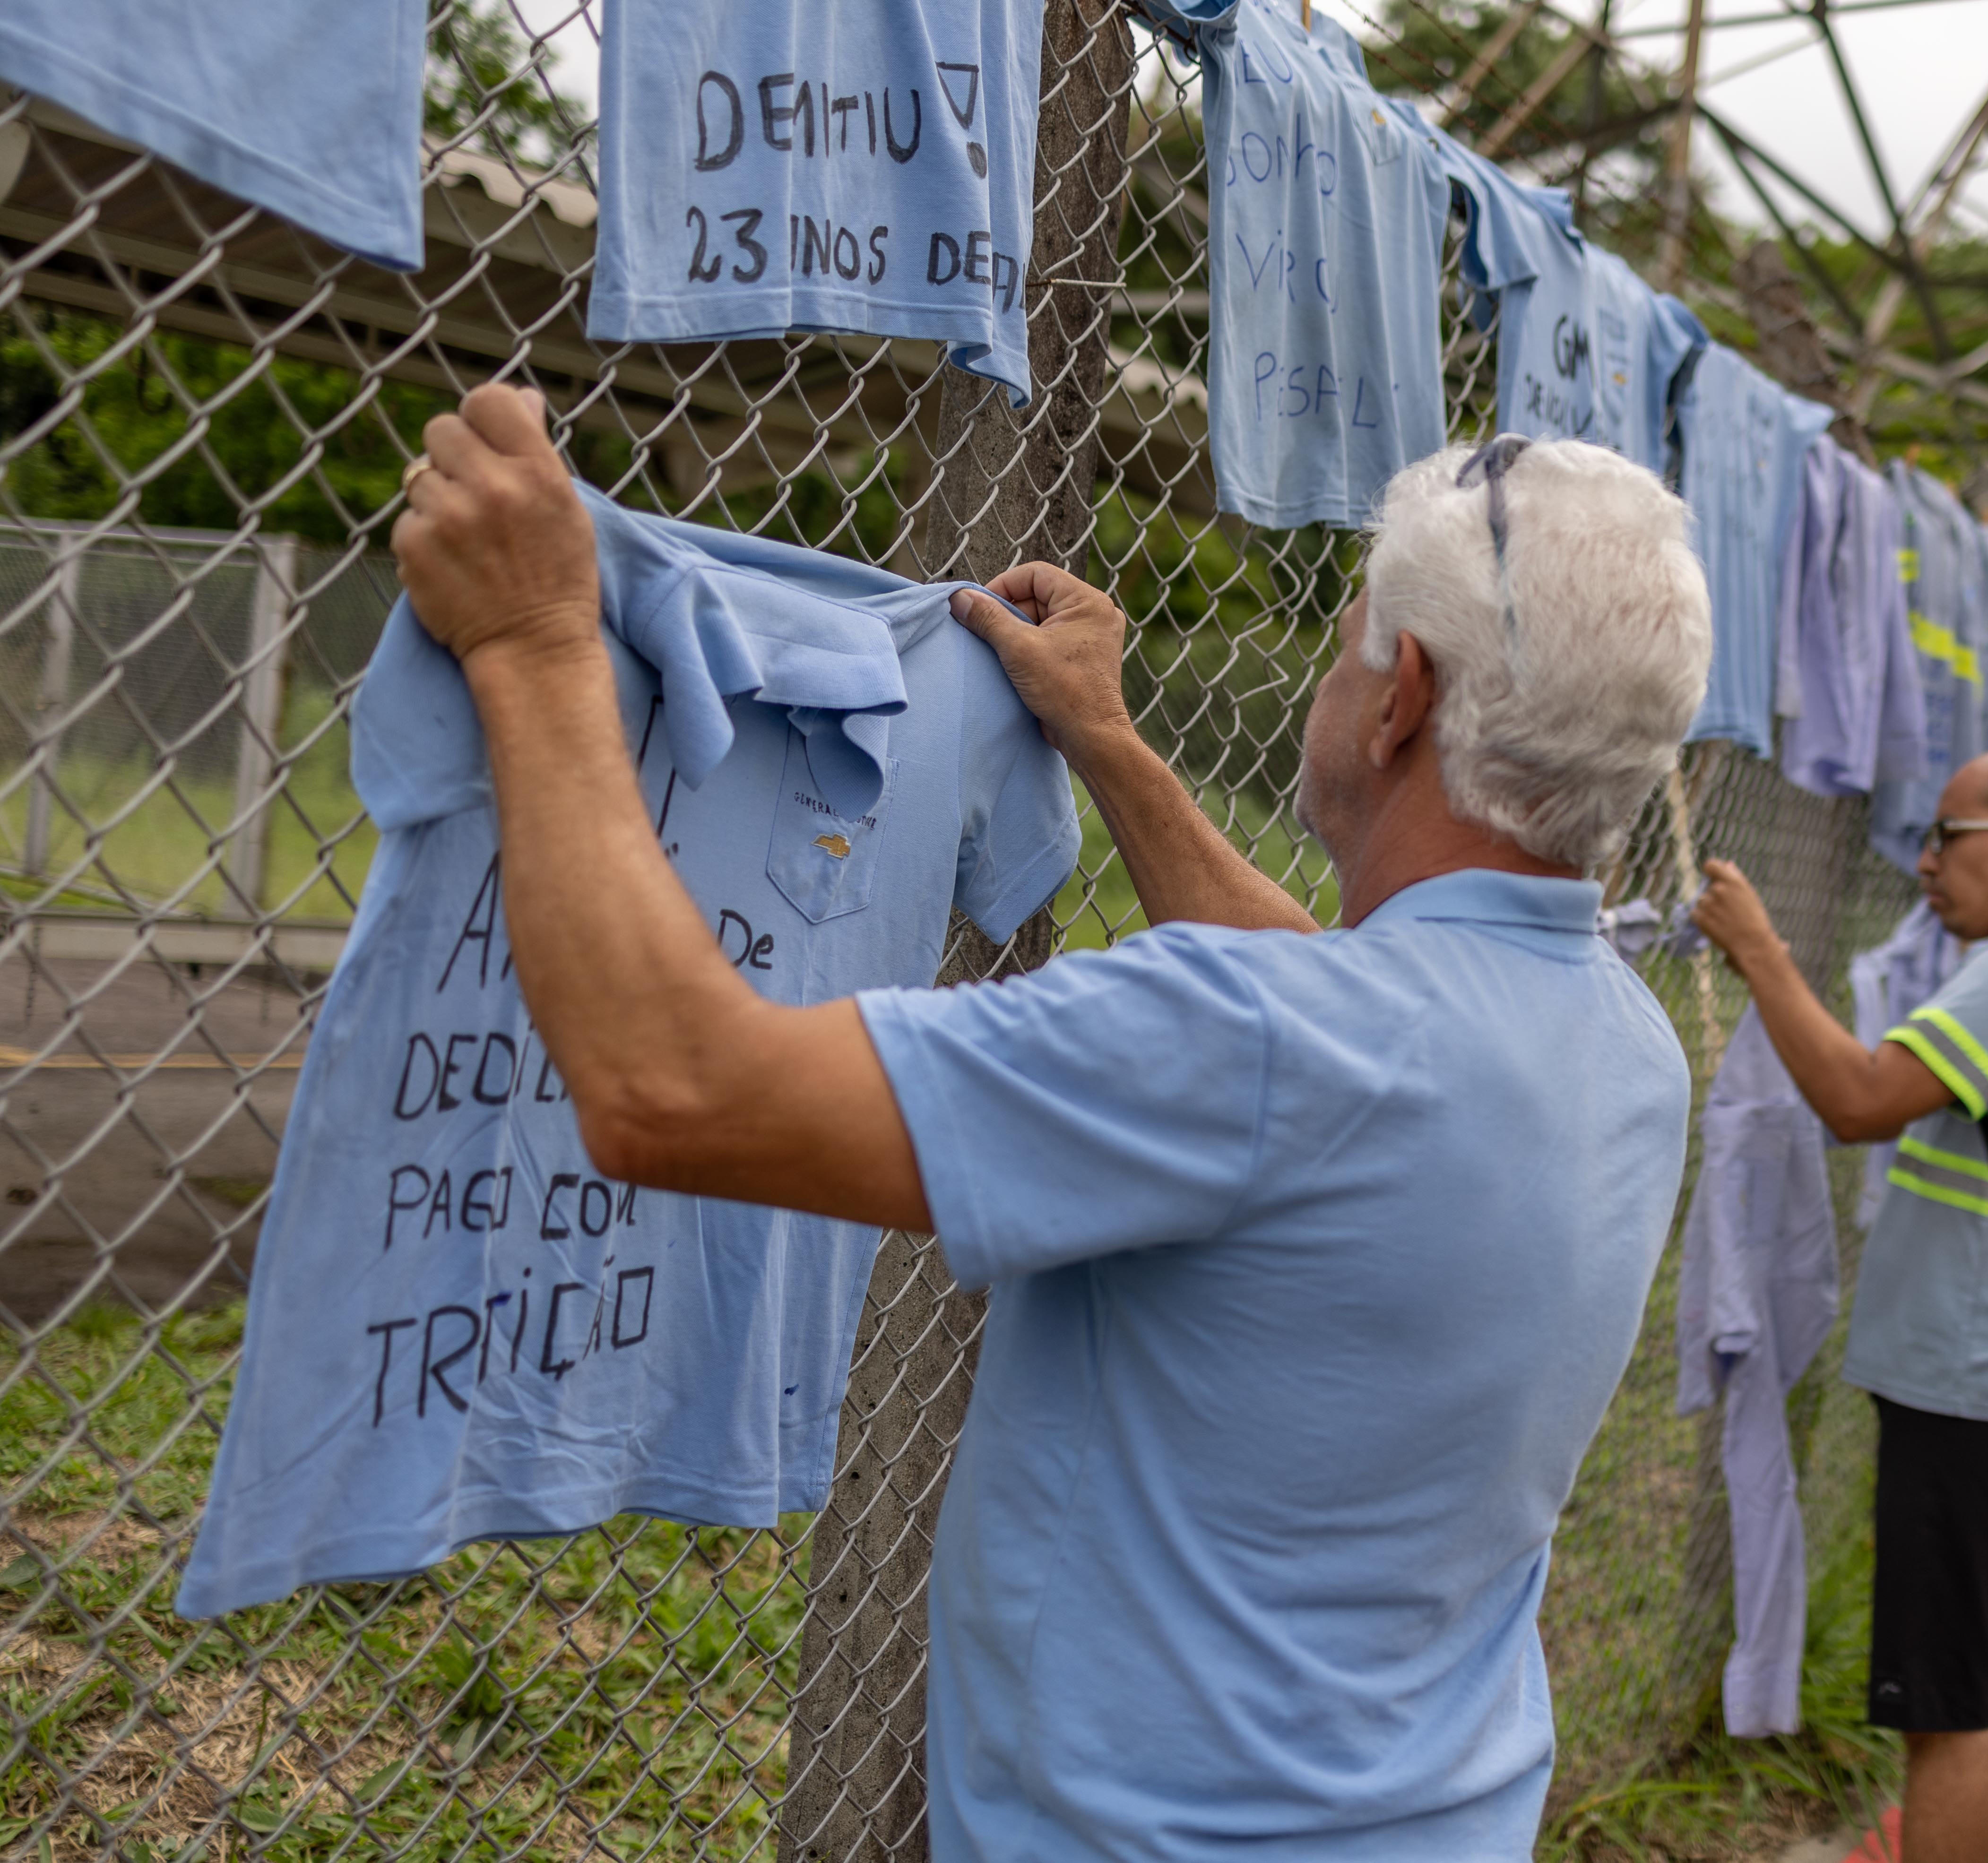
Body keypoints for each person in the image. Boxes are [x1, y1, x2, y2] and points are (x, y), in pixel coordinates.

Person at [388, 388, 1716, 1858]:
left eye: (1346, 646)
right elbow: (1330, 996)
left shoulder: (1256, 1040)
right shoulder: (1617, 1034)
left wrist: (536, 643)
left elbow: (669, 1087)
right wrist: (1105, 737)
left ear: (1399, 692)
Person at [1693, 747, 1988, 1863]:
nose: (1926, 862)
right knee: (1951, 1695)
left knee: (1945, 1710)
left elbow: (1861, 1098)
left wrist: (1761, 954)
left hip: (1973, 1386)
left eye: (1951, 835)